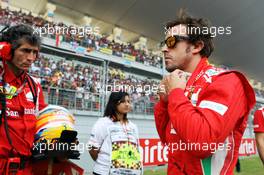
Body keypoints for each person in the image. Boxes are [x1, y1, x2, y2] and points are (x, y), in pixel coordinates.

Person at [154, 10, 256, 174]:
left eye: (172, 42)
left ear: (196, 46)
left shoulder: (227, 81)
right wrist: (164, 104)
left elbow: (202, 144)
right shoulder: (181, 85)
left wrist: (176, 95)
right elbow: (169, 142)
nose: (164, 49)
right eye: (163, 43)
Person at [0, 24, 47, 174]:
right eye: (25, 50)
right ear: (7, 50)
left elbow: (42, 126)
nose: (31, 58)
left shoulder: (35, 86)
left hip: (26, 169)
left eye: (35, 52)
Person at [88, 91, 142, 175]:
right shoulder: (103, 123)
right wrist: (104, 163)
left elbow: (136, 150)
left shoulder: (133, 126)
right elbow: (92, 148)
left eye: (128, 101)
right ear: (114, 103)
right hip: (103, 172)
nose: (127, 104)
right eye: (123, 101)